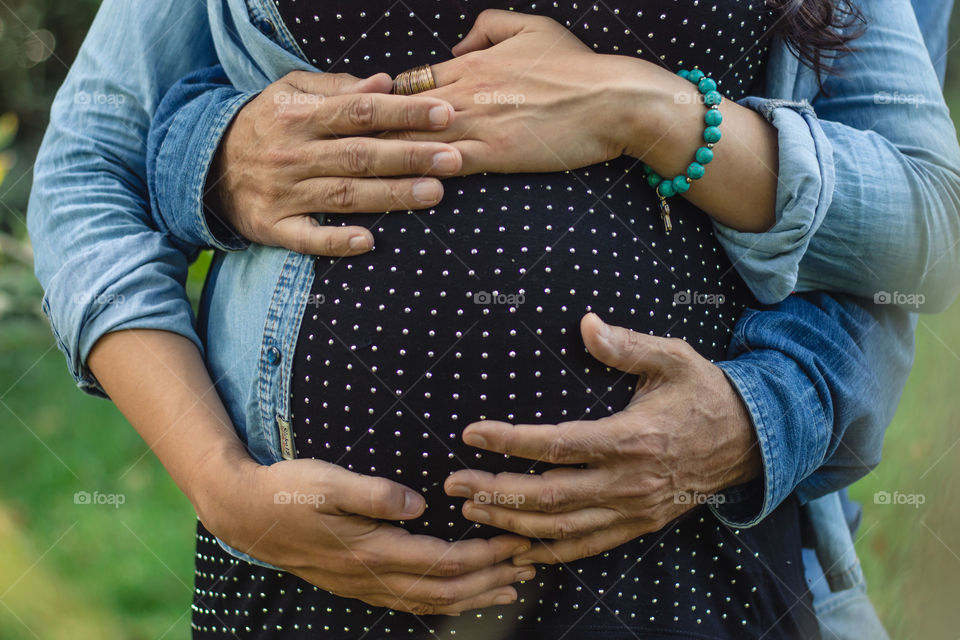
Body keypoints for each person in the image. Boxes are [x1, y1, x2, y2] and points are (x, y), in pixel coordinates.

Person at [26, 0, 959, 637]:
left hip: (692, 566)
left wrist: (658, 112)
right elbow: (88, 171)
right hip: (307, 576)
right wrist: (223, 486)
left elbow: (925, 226)